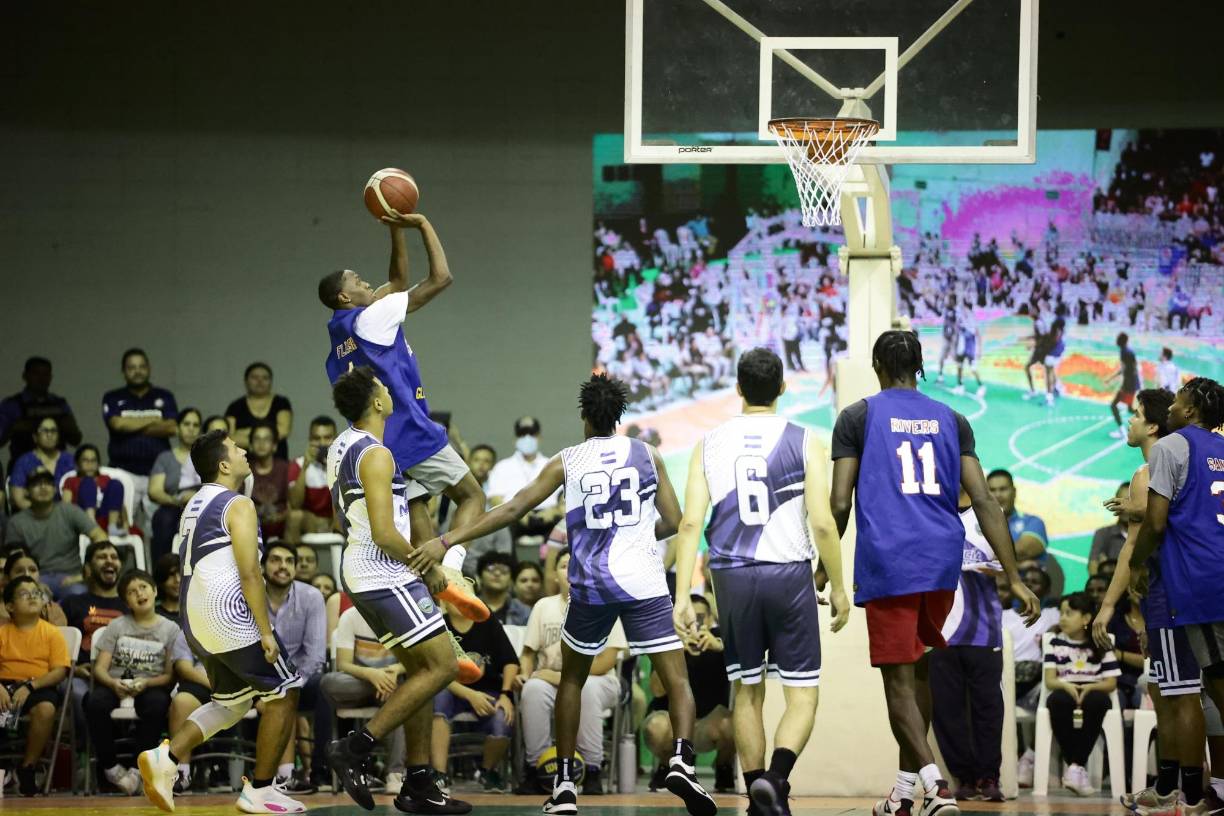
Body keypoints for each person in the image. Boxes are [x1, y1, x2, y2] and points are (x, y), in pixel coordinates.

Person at [426, 373, 717, 816]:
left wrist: (448, 541)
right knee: (677, 679)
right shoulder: (648, 455)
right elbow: (675, 521)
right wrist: (638, 533)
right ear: (619, 416)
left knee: (572, 680)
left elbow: (512, 509)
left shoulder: (567, 460)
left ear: (584, 415)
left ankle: (563, 785)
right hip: (643, 582)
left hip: (593, 586)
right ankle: (682, 759)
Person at [828, 330, 1040, 816]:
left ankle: (935, 788)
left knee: (896, 682)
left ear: (878, 363)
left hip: (890, 560)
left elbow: (840, 500)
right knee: (919, 668)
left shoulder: (858, 416)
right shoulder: (953, 418)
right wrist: (1015, 575)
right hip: (942, 563)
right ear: (919, 366)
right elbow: (985, 500)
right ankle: (904, 793)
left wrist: (826, 563)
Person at [670, 347, 848, 816]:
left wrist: (681, 597)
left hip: (730, 576)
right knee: (803, 693)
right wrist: (841, 587)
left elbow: (690, 524)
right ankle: (777, 780)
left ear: (738, 388)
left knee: (748, 691)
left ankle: (757, 798)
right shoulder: (806, 439)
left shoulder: (708, 443)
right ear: (784, 387)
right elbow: (824, 523)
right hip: (788, 573)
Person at [321, 366, 473, 815]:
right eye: (385, 389)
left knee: (420, 671)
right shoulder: (378, 455)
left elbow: (338, 518)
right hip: (385, 571)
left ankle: (420, 782)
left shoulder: (339, 448)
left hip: (359, 570)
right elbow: (386, 532)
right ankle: (354, 747)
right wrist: (424, 566)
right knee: (445, 667)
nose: (391, 392)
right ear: (377, 402)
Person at [135, 430, 307, 814]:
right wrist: (265, 630)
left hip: (194, 618)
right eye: (236, 448)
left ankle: (168, 756)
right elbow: (249, 572)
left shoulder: (193, 504)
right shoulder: (238, 504)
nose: (245, 451)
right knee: (286, 691)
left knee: (231, 704)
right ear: (225, 464)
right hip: (227, 614)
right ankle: (260, 791)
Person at [318, 213, 485, 549]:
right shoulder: (371, 318)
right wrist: (422, 224)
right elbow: (440, 278)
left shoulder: (341, 334)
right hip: (410, 430)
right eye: (358, 280)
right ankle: (451, 568)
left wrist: (395, 229)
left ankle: (434, 593)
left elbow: (396, 279)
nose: (366, 282)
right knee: (473, 497)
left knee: (416, 508)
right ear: (344, 297)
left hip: (378, 443)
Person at [1128, 377, 1224, 816]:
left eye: (1179, 399)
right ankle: (1194, 792)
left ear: (1190, 410)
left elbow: (1157, 521)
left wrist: (1136, 563)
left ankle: (1186, 795)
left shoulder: (1172, 447)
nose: (1171, 404)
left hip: (1196, 583)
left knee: (1187, 695)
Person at [510, 548, 625, 795]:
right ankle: (536, 769)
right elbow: (528, 653)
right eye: (564, 565)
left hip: (599, 680)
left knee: (587, 689)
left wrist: (560, 677)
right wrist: (525, 673)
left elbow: (606, 661)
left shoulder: (605, 604)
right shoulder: (543, 606)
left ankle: (593, 769)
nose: (570, 570)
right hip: (549, 681)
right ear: (554, 575)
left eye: (577, 565)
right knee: (533, 689)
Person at [929, 486, 1005, 802]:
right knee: (946, 709)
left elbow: (1006, 563)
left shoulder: (988, 514)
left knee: (988, 708)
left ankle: (989, 777)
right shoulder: (930, 513)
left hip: (983, 629)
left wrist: (987, 567)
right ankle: (964, 777)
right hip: (939, 630)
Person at [87, 569, 182, 796]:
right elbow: (99, 668)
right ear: (126, 602)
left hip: (151, 685)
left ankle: (136, 770)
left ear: (155, 591)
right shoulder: (117, 626)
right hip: (116, 683)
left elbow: (170, 675)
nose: (139, 593)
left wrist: (147, 683)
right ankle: (111, 767)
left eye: (143, 587)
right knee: (93, 702)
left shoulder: (170, 629)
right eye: (131, 592)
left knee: (158, 705)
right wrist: (112, 684)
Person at [644, 594, 735, 794]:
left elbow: (745, 672)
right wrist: (675, 651)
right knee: (656, 727)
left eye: (699, 618)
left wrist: (719, 646)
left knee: (734, 725)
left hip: (708, 723)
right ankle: (666, 766)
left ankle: (724, 767)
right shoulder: (667, 640)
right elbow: (657, 690)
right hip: (672, 723)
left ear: (710, 619)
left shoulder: (721, 638)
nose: (693, 624)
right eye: (689, 619)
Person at [429, 598, 519, 793]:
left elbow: (511, 661)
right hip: (451, 690)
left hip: (489, 691)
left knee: (503, 718)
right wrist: (470, 695)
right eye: (452, 596)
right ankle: (439, 774)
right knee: (438, 699)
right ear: (443, 602)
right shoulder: (438, 626)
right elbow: (436, 674)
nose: (458, 600)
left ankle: (487, 771)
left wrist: (505, 694)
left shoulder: (487, 622)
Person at [321, 604, 411, 795]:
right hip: (360, 685)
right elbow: (344, 664)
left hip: (392, 686)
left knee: (399, 699)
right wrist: (372, 675)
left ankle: (394, 774)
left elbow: (415, 660)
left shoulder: (402, 615)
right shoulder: (350, 616)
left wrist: (394, 671)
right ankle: (387, 687)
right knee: (329, 682)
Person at [261, 542, 327, 794]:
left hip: (298, 678)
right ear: (263, 566)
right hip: (254, 679)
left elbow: (315, 656)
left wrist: (290, 683)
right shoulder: (249, 596)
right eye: (276, 560)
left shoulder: (311, 597)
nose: (283, 566)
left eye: (289, 561)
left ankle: (319, 770)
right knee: (281, 695)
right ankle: (282, 776)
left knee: (324, 686)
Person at [0, 575, 71, 796]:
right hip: (4, 685)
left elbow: (59, 671)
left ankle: (28, 767)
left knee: (46, 709)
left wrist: (30, 687)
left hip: (38, 686)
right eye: (24, 593)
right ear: (10, 606)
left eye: (36, 593)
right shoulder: (2, 632)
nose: (32, 596)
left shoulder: (52, 633)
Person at [1044, 592, 1120, 796]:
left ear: (1086, 618)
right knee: (1057, 701)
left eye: (1069, 613)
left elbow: (1111, 683)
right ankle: (1077, 767)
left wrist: (1089, 688)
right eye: (1061, 613)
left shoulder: (1102, 643)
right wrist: (1067, 686)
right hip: (1065, 689)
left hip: (1094, 690)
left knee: (1098, 702)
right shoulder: (1055, 643)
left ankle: (1074, 766)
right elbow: (1050, 680)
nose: (1062, 618)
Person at [4, 469, 108, 598]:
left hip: (71, 577)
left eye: (48, 483)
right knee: (35, 599)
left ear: (54, 489)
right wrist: (31, 582)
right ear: (27, 491)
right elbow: (13, 560)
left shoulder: (69, 510)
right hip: (36, 577)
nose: (43, 487)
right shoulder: (16, 522)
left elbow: (100, 536)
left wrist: (86, 572)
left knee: (79, 595)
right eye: (37, 484)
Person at [102, 348, 179, 511]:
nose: (137, 371)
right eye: (132, 367)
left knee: (159, 529)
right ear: (123, 371)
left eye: (142, 366)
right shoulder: (113, 397)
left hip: (158, 474)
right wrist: (154, 420)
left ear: (149, 368)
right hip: (123, 471)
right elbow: (117, 425)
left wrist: (130, 426)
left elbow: (171, 428)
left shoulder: (164, 396)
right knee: (122, 528)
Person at [485, 416, 563, 544]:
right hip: (514, 515)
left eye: (532, 434)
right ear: (515, 440)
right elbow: (495, 499)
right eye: (522, 434)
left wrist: (555, 510)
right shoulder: (502, 466)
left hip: (547, 516)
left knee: (564, 524)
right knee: (502, 526)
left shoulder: (551, 464)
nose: (527, 438)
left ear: (539, 438)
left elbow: (563, 498)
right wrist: (516, 511)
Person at [0, 356, 82, 471]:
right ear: (25, 376)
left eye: (46, 374)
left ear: (51, 377)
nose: (41, 379)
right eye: (36, 373)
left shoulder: (60, 404)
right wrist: (14, 428)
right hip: (23, 469)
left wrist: (66, 427)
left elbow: (76, 439)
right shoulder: (12, 405)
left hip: (57, 469)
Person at [148, 408, 203, 560]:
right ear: (178, 428)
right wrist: (177, 500)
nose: (191, 429)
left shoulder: (208, 456)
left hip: (204, 505)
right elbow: (155, 491)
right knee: (162, 519)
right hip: (174, 507)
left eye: (195, 425)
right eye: (186, 424)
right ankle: (164, 574)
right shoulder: (165, 458)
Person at [226, 363, 293, 460]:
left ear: (271, 381)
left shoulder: (281, 403)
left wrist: (244, 432)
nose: (260, 381)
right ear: (246, 381)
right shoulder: (235, 407)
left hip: (277, 462)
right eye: (254, 377)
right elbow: (230, 438)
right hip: (244, 464)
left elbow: (283, 431)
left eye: (265, 378)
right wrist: (267, 437)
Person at [287, 416, 337, 543]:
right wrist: (305, 468)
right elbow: (295, 504)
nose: (322, 443)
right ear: (310, 440)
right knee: (294, 516)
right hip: (310, 522)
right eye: (316, 438)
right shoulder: (298, 465)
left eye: (327, 438)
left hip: (336, 520)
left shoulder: (346, 464)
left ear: (336, 439)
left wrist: (333, 467)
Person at [8, 417, 75, 511]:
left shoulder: (70, 460)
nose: (49, 434)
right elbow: (18, 499)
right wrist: (45, 514)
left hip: (68, 516)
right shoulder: (24, 462)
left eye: (53, 430)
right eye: (44, 430)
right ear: (35, 437)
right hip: (33, 516)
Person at [985, 469, 1049, 562]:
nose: (998, 495)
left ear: (1014, 492)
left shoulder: (1033, 522)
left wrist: (983, 558)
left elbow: (1023, 550)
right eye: (992, 490)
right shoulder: (978, 525)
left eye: (1003, 489)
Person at [62, 444, 126, 534]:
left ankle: (112, 527)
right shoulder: (71, 481)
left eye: (93, 460)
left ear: (98, 463)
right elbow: (66, 507)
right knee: (88, 481)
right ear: (78, 463)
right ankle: (91, 525)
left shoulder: (106, 479)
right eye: (85, 460)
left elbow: (119, 503)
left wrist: (126, 523)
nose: (90, 464)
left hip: (105, 519)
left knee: (116, 483)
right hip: (82, 519)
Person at [0, 550, 67, 626]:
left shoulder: (50, 609)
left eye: (32, 570)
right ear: (7, 578)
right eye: (19, 571)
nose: (27, 574)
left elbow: (59, 634)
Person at [249, 424, 290, 540]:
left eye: (266, 439)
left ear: (275, 446)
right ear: (251, 445)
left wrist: (279, 517)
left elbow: (293, 504)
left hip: (282, 525)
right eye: (257, 439)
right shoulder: (244, 470)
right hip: (253, 525)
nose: (261, 443)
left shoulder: (285, 468)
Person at [475, 551, 531, 626]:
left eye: (504, 571)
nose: (497, 573)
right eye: (491, 568)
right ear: (480, 577)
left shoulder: (523, 612)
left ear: (511, 581)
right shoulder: (468, 607)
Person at [1088, 482, 1130, 575]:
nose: (1121, 507)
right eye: (1118, 502)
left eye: (1127, 501)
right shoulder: (1103, 534)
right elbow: (1093, 566)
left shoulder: (1149, 534)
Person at [1107, 332, 1142, 439]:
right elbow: (1129, 369)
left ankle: (1122, 430)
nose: (1116, 340)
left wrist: (1124, 385)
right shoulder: (1127, 351)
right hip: (1132, 384)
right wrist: (1111, 378)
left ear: (1121, 341)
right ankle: (1146, 423)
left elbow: (1128, 370)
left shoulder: (1125, 352)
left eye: (1117, 338)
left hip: (1129, 385)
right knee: (1130, 409)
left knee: (1113, 405)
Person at [951, 306, 984, 397]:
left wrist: (979, 350)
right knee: (959, 367)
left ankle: (981, 386)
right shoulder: (960, 322)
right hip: (961, 348)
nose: (963, 313)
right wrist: (954, 349)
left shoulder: (972, 324)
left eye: (965, 311)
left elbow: (978, 337)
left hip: (970, 349)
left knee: (973, 368)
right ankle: (960, 385)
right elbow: (956, 334)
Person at [153, 553, 182, 623]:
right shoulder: (153, 615)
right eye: (171, 575)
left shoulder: (200, 612)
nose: (178, 580)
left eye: (181, 573)